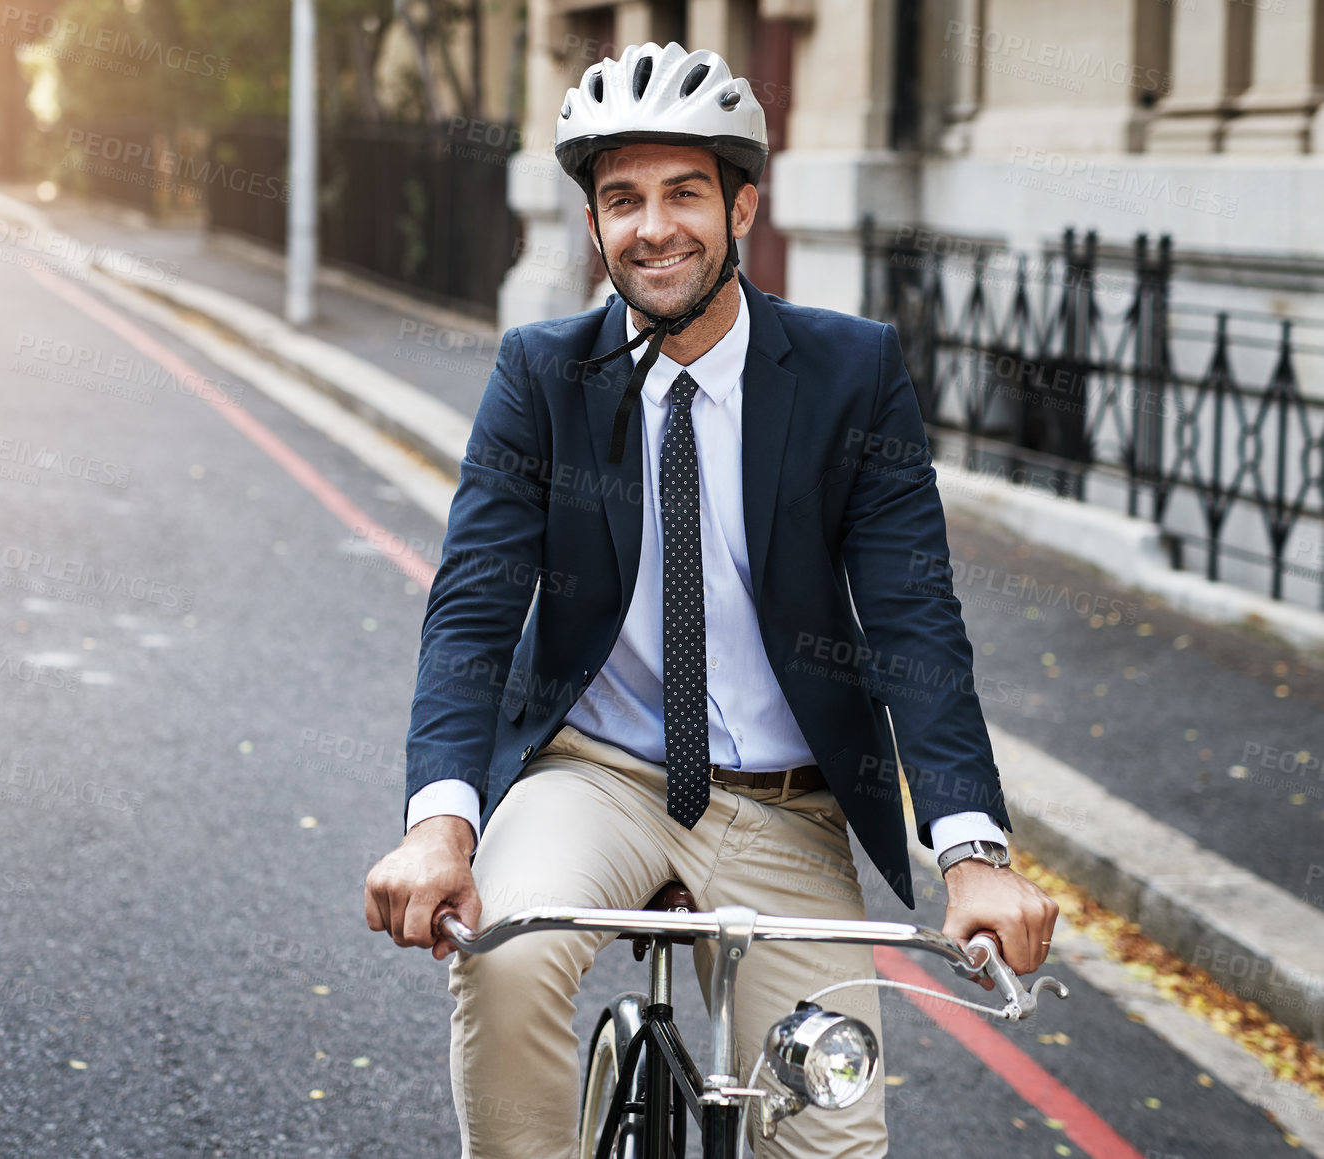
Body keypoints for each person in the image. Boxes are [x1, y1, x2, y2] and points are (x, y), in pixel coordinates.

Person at [364, 42, 1059, 1159]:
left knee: (827, 1132)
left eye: (684, 192)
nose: (654, 228)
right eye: (622, 199)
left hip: (785, 801)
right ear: (593, 225)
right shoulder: (541, 376)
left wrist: (973, 856)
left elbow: (914, 619)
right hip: (597, 774)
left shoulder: (850, 373)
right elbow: (474, 609)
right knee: (504, 954)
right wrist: (439, 824)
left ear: (742, 205)